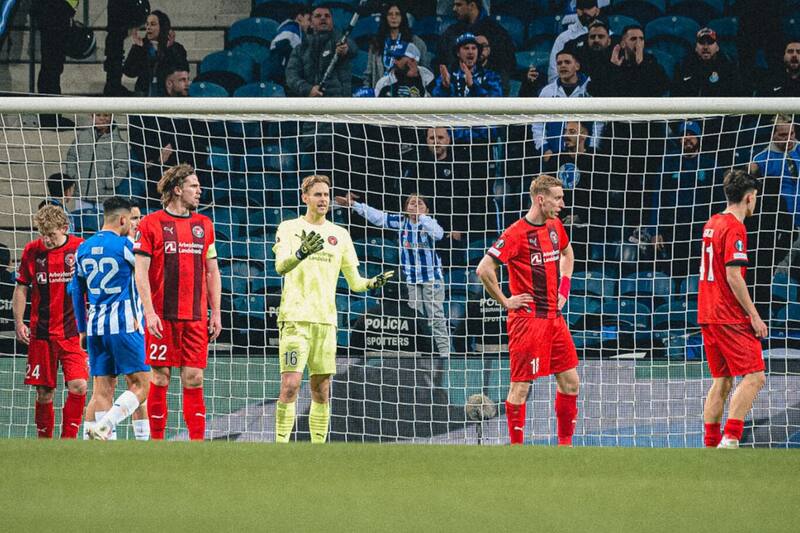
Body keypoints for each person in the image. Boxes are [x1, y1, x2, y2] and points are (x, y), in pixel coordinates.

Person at [273, 174, 394, 443]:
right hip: (295, 319)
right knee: (290, 385)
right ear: (305, 197)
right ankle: (279, 446)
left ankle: (318, 449)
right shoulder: (289, 227)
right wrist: (301, 253)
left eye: (326, 194)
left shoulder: (339, 234)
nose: (323, 199)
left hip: (326, 323)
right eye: (317, 194)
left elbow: (355, 283)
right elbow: (280, 267)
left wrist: (373, 282)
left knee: (321, 389)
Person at [475, 175, 580, 446]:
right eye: (557, 198)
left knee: (571, 382)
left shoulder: (556, 226)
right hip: (528, 321)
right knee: (520, 386)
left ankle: (565, 445)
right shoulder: (515, 234)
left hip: (554, 319)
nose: (562, 203)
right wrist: (506, 301)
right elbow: (484, 268)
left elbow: (568, 255)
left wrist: (564, 290)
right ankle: (517, 449)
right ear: (540, 199)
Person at [133, 164, 222, 440]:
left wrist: (215, 312)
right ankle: (158, 444)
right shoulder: (150, 223)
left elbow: (212, 270)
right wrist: (149, 312)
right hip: (163, 316)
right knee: (160, 378)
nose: (199, 191)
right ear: (177, 189)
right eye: (194, 186)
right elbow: (140, 271)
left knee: (194, 378)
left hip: (195, 316)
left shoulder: (204, 225)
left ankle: (196, 445)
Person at [70, 197, 151, 441]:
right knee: (141, 387)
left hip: (95, 328)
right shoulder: (126, 246)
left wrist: (82, 329)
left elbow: (76, 291)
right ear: (123, 219)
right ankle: (106, 425)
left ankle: (107, 449)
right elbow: (144, 276)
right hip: (126, 324)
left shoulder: (83, 248)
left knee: (102, 389)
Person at [698, 169, 768, 449]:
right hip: (728, 314)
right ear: (749, 198)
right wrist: (754, 315)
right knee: (755, 376)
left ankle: (711, 444)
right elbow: (733, 276)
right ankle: (731, 438)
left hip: (707, 312)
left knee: (722, 380)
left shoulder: (712, 222)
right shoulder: (735, 228)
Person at [334, 191, 449, 359]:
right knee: (414, 317)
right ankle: (417, 355)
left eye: (420, 204)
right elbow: (378, 217)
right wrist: (355, 206)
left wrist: (422, 217)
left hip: (431, 277)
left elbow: (438, 234)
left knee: (436, 317)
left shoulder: (430, 223)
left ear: (427, 209)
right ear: (405, 208)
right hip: (409, 278)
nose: (415, 206)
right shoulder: (401, 222)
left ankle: (444, 356)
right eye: (412, 204)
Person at [13, 205, 87, 438]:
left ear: (65, 228)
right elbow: (22, 287)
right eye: (43, 234)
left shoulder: (79, 248)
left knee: (79, 386)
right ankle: (44, 443)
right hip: (42, 333)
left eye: (51, 234)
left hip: (73, 332)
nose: (46, 239)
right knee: (44, 393)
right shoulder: (32, 251)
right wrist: (18, 322)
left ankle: (68, 440)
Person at [285, 6, 356, 97]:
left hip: (338, 102)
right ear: (311, 23)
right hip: (310, 104)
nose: (323, 18)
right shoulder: (300, 49)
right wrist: (308, 90)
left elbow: (353, 48)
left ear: (332, 22)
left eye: (327, 16)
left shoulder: (341, 42)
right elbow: (291, 76)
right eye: (318, 16)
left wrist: (346, 49)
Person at [436, 0, 516, 81]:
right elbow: (441, 61)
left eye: (459, 5)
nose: (454, 9)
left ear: (472, 5)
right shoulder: (451, 32)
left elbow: (507, 66)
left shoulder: (496, 32)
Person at [63, 113, 129, 209]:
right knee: (83, 223)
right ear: (92, 116)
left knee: (102, 223)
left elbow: (122, 167)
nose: (102, 118)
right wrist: (74, 177)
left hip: (104, 197)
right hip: (82, 195)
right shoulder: (82, 137)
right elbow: (71, 157)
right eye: (98, 115)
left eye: (106, 115)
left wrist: (107, 183)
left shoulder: (118, 143)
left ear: (111, 117)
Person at [122, 10, 187, 96]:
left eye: (152, 24)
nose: (148, 27)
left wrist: (169, 50)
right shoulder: (141, 47)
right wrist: (137, 48)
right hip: (144, 95)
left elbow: (183, 70)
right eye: (147, 24)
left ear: (162, 27)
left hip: (166, 95)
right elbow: (129, 72)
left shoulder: (176, 48)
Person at [365, 3, 429, 89]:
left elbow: (424, 72)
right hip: (381, 93)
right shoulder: (376, 43)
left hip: (407, 93)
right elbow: (368, 74)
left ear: (402, 17)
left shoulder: (416, 42)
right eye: (390, 14)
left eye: (397, 14)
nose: (394, 17)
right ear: (385, 18)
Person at [597, 25, 668, 97]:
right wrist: (613, 67)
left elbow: (660, 89)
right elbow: (604, 91)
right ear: (623, 44)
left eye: (641, 39)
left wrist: (641, 64)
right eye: (633, 39)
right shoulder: (614, 62)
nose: (638, 43)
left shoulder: (651, 62)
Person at [672, 28, 745, 97]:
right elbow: (675, 96)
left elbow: (737, 95)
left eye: (710, 43)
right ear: (696, 48)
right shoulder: (683, 66)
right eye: (701, 43)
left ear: (717, 47)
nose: (706, 47)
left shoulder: (728, 66)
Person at [433, 32, 502, 98]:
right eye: (466, 48)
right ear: (458, 53)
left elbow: (495, 102)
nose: (470, 52)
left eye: (474, 48)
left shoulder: (490, 76)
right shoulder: (448, 76)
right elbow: (435, 103)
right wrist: (444, 87)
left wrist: (473, 86)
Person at [548, 0, 600, 83]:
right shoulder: (564, 38)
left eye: (589, 7)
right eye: (581, 8)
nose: (585, 11)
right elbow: (553, 76)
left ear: (597, 10)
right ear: (576, 10)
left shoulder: (608, 36)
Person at [267, 5, 311, 86]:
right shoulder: (292, 29)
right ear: (299, 17)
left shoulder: (291, 29)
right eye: (309, 20)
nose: (310, 25)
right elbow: (280, 47)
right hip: (281, 78)